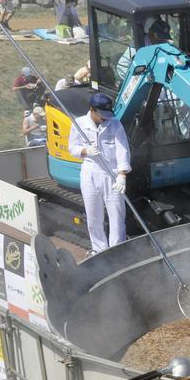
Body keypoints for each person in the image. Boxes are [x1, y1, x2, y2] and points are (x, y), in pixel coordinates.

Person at [69, 93, 131, 257]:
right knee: (93, 214)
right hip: (90, 172)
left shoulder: (115, 125)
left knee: (117, 213)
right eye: (101, 115)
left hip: (111, 173)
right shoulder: (79, 124)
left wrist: (122, 175)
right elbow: (72, 148)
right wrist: (85, 151)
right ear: (92, 110)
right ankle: (99, 249)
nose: (105, 119)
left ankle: (117, 249)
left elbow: (122, 150)